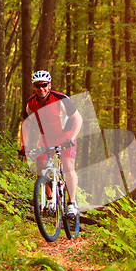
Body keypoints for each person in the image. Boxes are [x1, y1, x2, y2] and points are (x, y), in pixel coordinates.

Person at [21, 70, 83, 218]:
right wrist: (25, 145)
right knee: (41, 168)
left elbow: (78, 119)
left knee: (68, 168)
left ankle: (72, 204)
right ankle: (49, 201)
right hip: (46, 137)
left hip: (66, 136)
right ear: (34, 87)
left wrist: (71, 138)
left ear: (49, 85)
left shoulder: (61, 99)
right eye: (37, 85)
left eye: (44, 85)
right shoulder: (31, 103)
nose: (41, 88)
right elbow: (26, 124)